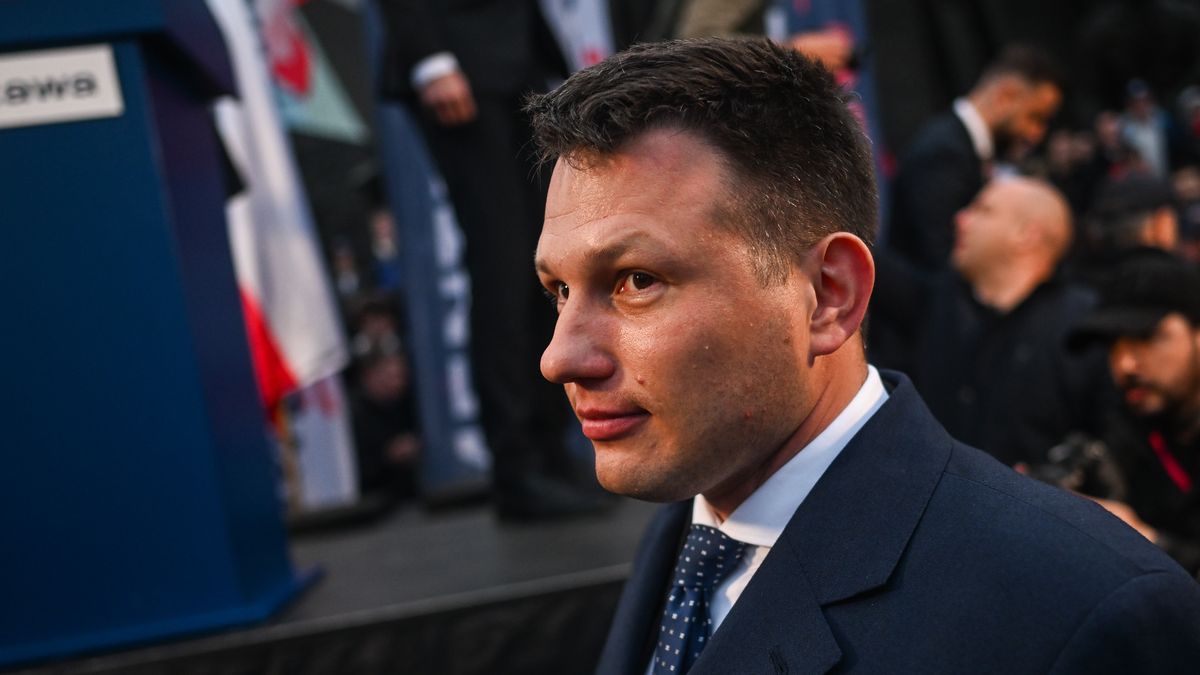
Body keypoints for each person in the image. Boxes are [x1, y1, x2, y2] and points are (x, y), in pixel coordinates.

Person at [525, 38, 1200, 673]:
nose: (559, 357)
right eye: (559, 290)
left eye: (637, 280)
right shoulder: (685, 533)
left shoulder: (1081, 610)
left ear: (828, 295)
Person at [377, 1, 600, 519]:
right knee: (502, 268)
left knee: (547, 264)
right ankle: (515, 467)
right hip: (457, 60)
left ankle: (551, 452)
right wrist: (430, 58)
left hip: (521, 61)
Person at [876, 177, 1112, 466]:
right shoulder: (939, 302)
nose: (961, 219)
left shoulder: (1082, 328)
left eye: (983, 209)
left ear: (1026, 235)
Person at [1069, 253, 1200, 576]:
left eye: (1145, 337)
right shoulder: (1133, 427)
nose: (1124, 364)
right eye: (1113, 345)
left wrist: (1149, 542)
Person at [887, 45, 1064, 273]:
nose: (1036, 134)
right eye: (1035, 117)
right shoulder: (944, 153)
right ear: (1006, 95)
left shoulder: (966, 148)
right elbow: (940, 260)